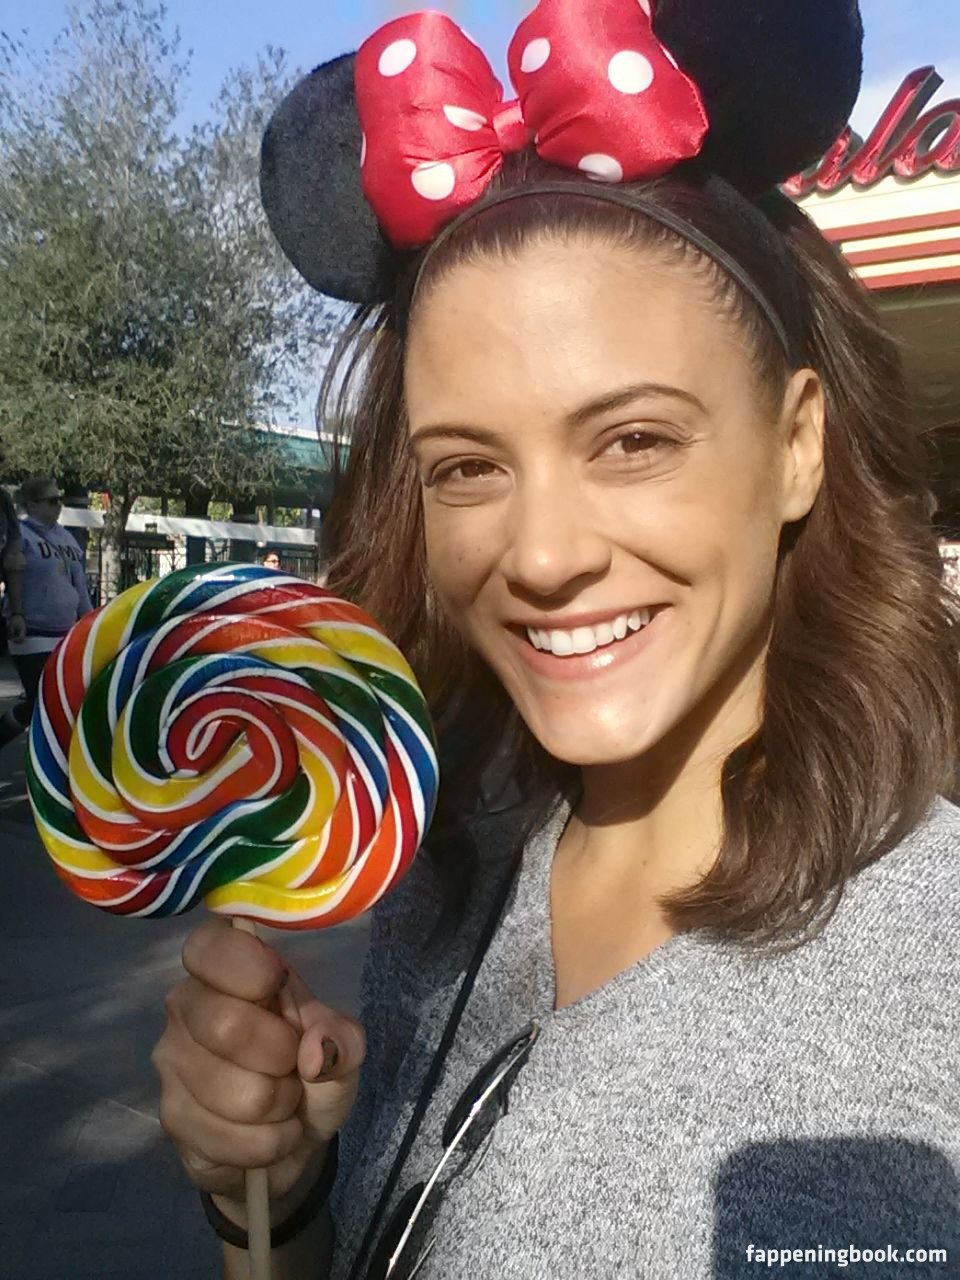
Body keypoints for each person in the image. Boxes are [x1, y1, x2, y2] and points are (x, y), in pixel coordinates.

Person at [152, 3, 960, 1278]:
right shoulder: (448, 863)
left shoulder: (934, 978)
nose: (538, 555)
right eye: (467, 465)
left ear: (797, 444)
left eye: (633, 439)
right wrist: (284, 1196)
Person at [0, 476, 92, 748]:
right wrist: (16, 614)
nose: (58, 506)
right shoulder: (19, 536)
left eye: (60, 500)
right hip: (32, 631)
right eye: (51, 501)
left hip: (66, 632)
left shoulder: (67, 537)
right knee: (44, 702)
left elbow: (80, 585)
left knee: (56, 701)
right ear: (32, 505)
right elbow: (12, 573)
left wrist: (90, 621)